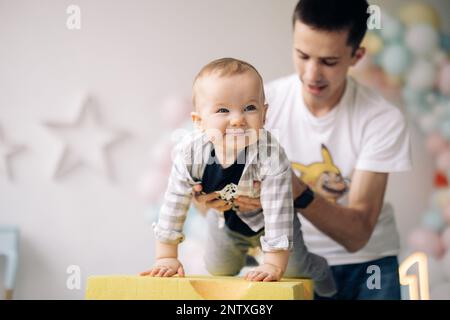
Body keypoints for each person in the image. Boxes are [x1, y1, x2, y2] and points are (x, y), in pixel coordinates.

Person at [193, 0, 412, 300]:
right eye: (302, 55)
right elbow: (206, 199)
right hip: (289, 263)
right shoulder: (257, 106)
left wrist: (294, 189)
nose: (312, 73)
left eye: (329, 61)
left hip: (367, 267)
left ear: (356, 56)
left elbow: (357, 234)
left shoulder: (382, 119)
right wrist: (212, 198)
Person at [141, 58, 336, 296]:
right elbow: (174, 202)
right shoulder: (190, 154)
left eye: (249, 108)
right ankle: (251, 258)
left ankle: (320, 271)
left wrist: (274, 263)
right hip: (227, 221)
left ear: (264, 115)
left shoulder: (270, 155)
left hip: (270, 221)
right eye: (223, 110)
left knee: (293, 268)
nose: (238, 119)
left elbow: (278, 210)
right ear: (199, 122)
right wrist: (166, 256)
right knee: (219, 268)